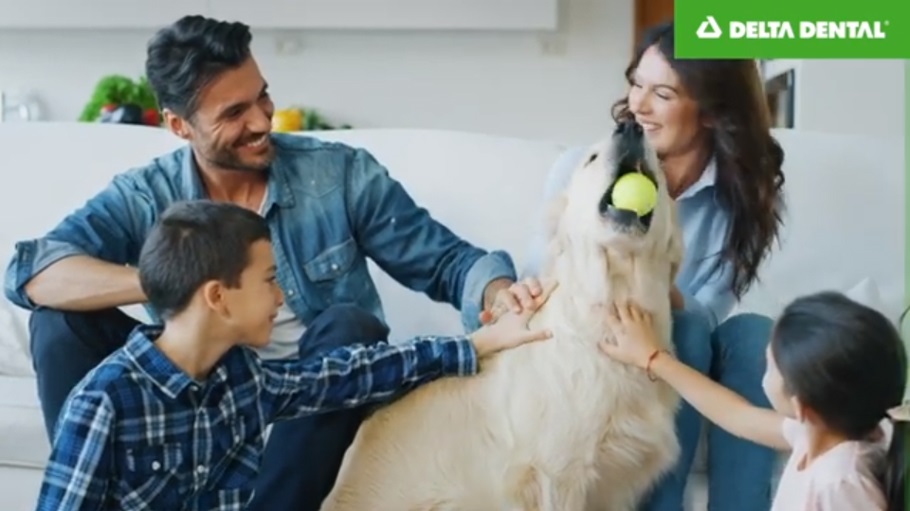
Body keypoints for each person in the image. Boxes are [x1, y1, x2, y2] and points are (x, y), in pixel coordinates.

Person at [3, 15, 516, 511]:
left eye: (262, 96)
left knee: (351, 324)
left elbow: (448, 261)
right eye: (232, 113)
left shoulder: (337, 175)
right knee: (61, 322)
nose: (261, 120)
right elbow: (33, 272)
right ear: (180, 125)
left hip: (314, 380)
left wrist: (498, 294)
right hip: (202, 387)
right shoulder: (146, 195)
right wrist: (168, 281)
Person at [34, 200, 552, 511]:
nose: (281, 297)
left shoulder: (241, 380)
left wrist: (476, 345)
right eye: (270, 280)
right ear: (217, 296)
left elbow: (348, 375)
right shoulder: (104, 401)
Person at [486, 21, 787, 511]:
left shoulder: (740, 197)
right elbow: (548, 279)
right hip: (603, 340)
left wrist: (658, 286)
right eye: (636, 83)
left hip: (675, 340)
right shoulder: (586, 169)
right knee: (683, 328)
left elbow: (709, 309)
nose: (637, 106)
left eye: (662, 93)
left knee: (750, 333)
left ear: (711, 112)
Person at [600, 293, 907, 511]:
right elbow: (736, 415)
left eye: (770, 365)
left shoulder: (840, 481)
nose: (762, 364)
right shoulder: (817, 433)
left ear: (802, 406)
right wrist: (653, 359)